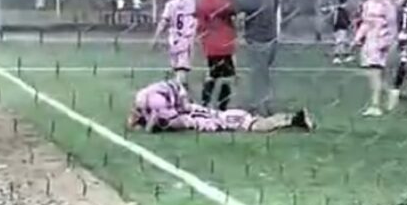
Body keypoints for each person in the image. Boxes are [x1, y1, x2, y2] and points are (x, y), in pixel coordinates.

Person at [127, 79, 314, 133]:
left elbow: (164, 124)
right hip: (224, 117)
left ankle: (295, 119)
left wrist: (150, 123)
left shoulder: (181, 117)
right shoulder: (175, 101)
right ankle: (294, 119)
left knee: (258, 126)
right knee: (259, 123)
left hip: (226, 119)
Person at [236, 0, 279, 117]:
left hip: (258, 39)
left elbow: (237, 6)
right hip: (272, 37)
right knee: (264, 74)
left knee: (257, 75)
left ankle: (258, 107)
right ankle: (267, 103)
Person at [354, 0, 398, 117]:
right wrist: (357, 38)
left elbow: (392, 26)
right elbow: (365, 23)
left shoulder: (387, 5)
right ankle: (389, 92)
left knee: (375, 73)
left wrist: (388, 42)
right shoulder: (367, 4)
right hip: (369, 41)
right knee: (372, 74)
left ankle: (375, 105)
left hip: (380, 42)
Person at [197, 0, 237, 111]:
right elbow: (230, 8)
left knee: (218, 76)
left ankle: (210, 105)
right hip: (217, 45)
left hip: (222, 44)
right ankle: (215, 106)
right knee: (221, 77)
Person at [152, 0, 197, 88]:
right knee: (182, 68)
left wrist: (155, 38)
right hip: (186, 38)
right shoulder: (194, 4)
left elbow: (163, 22)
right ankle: (180, 90)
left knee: (176, 66)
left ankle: (176, 87)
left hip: (173, 38)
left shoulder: (171, 4)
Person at [332, 0, 353, 64]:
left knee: (341, 42)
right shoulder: (341, 10)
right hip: (340, 28)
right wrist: (348, 24)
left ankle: (345, 56)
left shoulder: (338, 9)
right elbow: (341, 20)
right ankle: (337, 57)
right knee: (340, 42)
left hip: (338, 28)